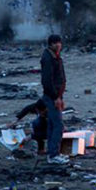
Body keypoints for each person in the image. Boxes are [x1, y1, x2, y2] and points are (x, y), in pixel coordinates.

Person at [40, 34, 68, 164]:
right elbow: (48, 80)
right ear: (50, 44)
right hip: (52, 97)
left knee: (52, 124)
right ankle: (54, 154)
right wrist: (56, 97)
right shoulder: (48, 58)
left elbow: (59, 78)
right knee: (58, 125)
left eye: (59, 43)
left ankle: (51, 153)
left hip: (56, 96)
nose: (58, 45)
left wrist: (60, 96)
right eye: (55, 43)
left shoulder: (56, 57)